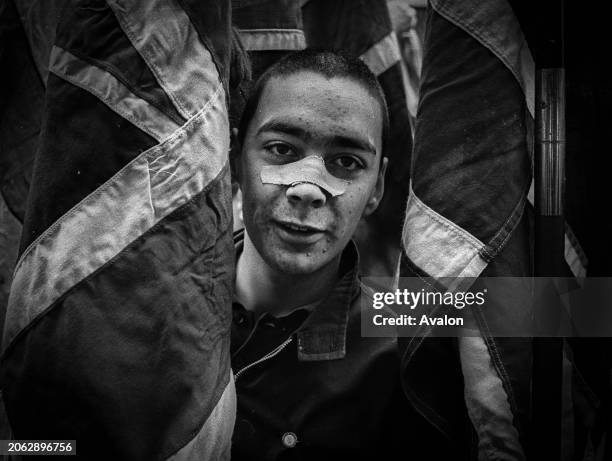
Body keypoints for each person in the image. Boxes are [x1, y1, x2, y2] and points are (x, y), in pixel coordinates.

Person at [228, 50, 442, 460]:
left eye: (345, 161)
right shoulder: (151, 302)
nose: (307, 188)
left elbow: (583, 308)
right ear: (238, 157)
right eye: (281, 149)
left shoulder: (405, 337)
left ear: (377, 186)